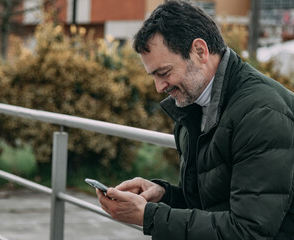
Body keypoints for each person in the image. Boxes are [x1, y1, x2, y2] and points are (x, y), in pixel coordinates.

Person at [96, 0, 294, 239]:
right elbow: (209, 206)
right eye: (153, 76)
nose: (159, 87)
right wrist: (162, 195)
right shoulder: (194, 103)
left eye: (164, 73)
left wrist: (150, 216)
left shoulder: (261, 113)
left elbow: (248, 231)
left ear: (200, 51)